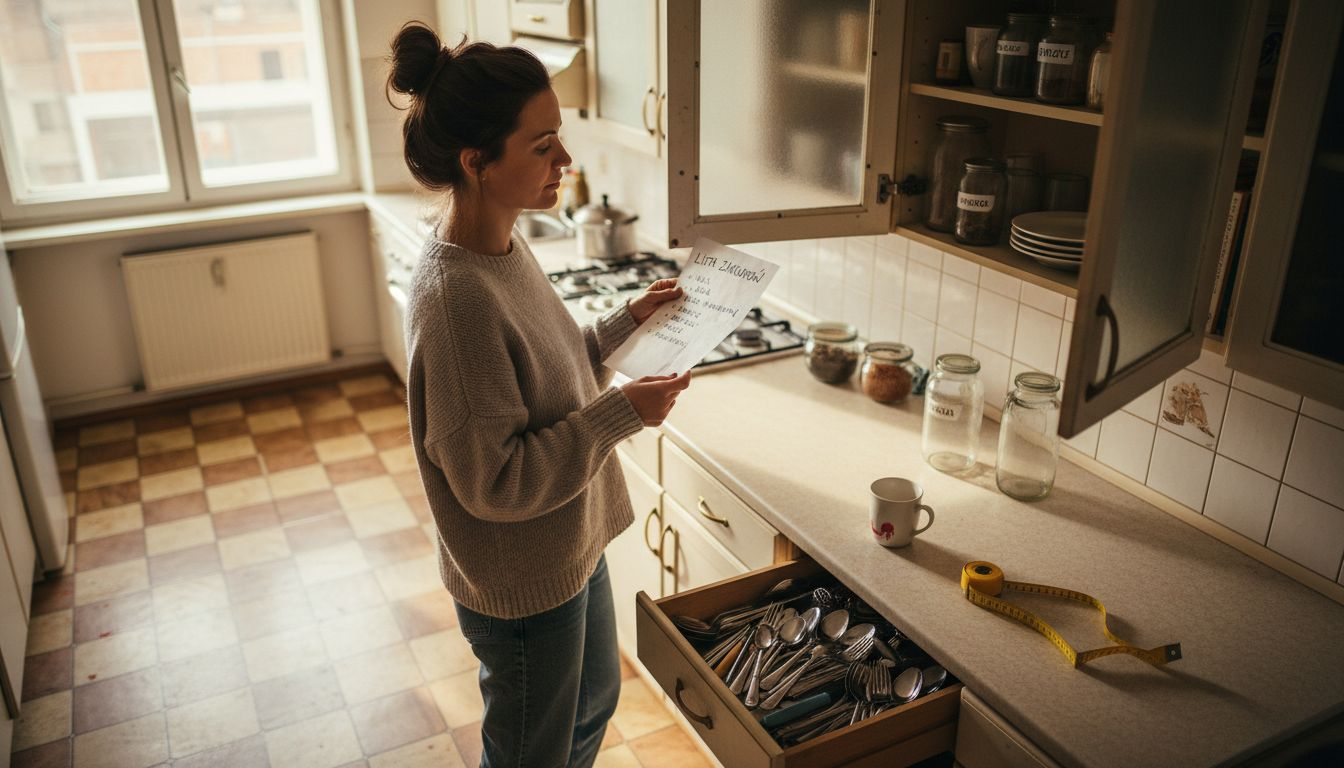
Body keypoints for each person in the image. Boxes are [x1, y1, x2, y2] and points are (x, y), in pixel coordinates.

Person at [387, 21, 692, 768]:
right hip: (521, 578)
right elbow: (495, 480)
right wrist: (623, 415)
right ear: (477, 161)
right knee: (532, 754)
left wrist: (626, 324)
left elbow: (552, 377)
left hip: (565, 544)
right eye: (542, 144)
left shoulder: (502, 245)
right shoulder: (457, 299)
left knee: (590, 709)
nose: (565, 159)